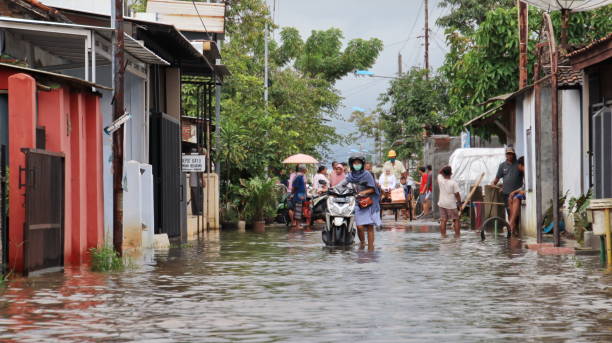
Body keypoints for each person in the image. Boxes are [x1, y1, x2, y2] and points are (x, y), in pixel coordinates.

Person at [345, 156, 381, 250]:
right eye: (355, 163)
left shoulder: (367, 174)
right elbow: (342, 184)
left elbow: (373, 188)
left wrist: (363, 192)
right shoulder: (350, 175)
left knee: (369, 226)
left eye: (359, 163)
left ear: (362, 164)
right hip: (357, 203)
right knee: (359, 226)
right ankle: (362, 243)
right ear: (352, 165)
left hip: (368, 203)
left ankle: (370, 248)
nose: (357, 165)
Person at [492, 147, 524, 215]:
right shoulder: (502, 165)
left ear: (514, 154)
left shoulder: (518, 164)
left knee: (516, 213)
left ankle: (514, 225)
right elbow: (497, 178)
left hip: (516, 193)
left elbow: (524, 175)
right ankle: (511, 225)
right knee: (509, 212)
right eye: (508, 154)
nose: (509, 155)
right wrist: (493, 184)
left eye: (511, 154)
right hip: (506, 194)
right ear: (505, 155)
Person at [437, 166, 462, 236]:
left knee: (443, 220)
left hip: (442, 203)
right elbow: (457, 194)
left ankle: (443, 236)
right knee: (456, 219)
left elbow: (439, 172)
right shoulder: (453, 183)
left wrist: (445, 168)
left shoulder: (440, 180)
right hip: (451, 204)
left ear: (443, 174)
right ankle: (457, 236)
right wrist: (460, 204)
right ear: (451, 174)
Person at [507, 156, 526, 236]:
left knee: (516, 198)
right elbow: (523, 187)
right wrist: (514, 191)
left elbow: (527, 188)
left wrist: (523, 191)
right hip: (524, 192)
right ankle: (513, 224)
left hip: (527, 193)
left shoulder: (527, 173)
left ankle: (511, 224)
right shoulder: (524, 174)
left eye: (518, 165)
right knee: (510, 198)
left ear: (521, 165)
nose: (517, 167)